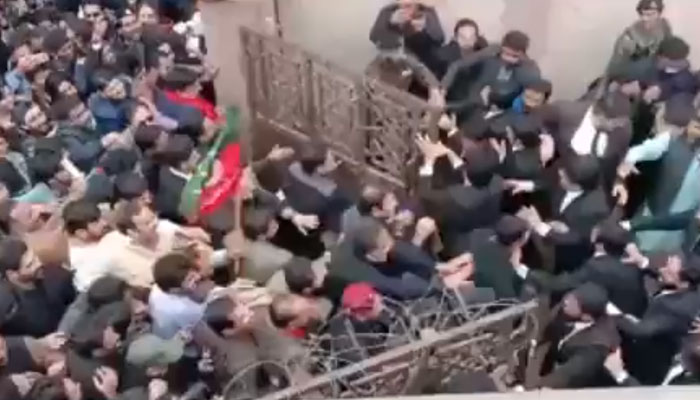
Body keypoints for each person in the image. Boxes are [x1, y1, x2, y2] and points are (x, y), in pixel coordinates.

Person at [618, 109, 700, 252]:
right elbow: (643, 150)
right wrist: (630, 160)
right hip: (649, 217)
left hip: (679, 233)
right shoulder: (672, 139)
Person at [615, 252, 700, 384]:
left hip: (658, 365)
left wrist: (609, 313)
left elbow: (640, 330)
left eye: (668, 268)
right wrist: (643, 262)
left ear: (684, 282)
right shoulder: (689, 290)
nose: (661, 269)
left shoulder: (674, 308)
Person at [536, 282, 620, 388]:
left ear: (586, 317)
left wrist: (530, 390)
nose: (566, 300)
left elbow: (565, 376)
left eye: (574, 303)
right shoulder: (566, 309)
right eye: (572, 294)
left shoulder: (595, 347)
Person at [0, 237, 74, 337]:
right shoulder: (8, 309)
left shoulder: (57, 276)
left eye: (35, 258)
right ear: (12, 274)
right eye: (30, 265)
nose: (38, 264)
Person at [369, 0, 444, 68]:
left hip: (422, 66)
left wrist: (425, 29)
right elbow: (374, 37)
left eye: (409, 5)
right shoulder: (387, 11)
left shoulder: (428, 11)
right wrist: (390, 23)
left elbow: (439, 39)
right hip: (392, 64)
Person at [607, 0, 672, 73]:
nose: (645, 18)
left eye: (650, 14)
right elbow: (615, 62)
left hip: (659, 69)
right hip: (635, 73)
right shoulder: (631, 33)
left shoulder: (664, 25)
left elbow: (669, 49)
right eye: (642, 14)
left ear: (659, 13)